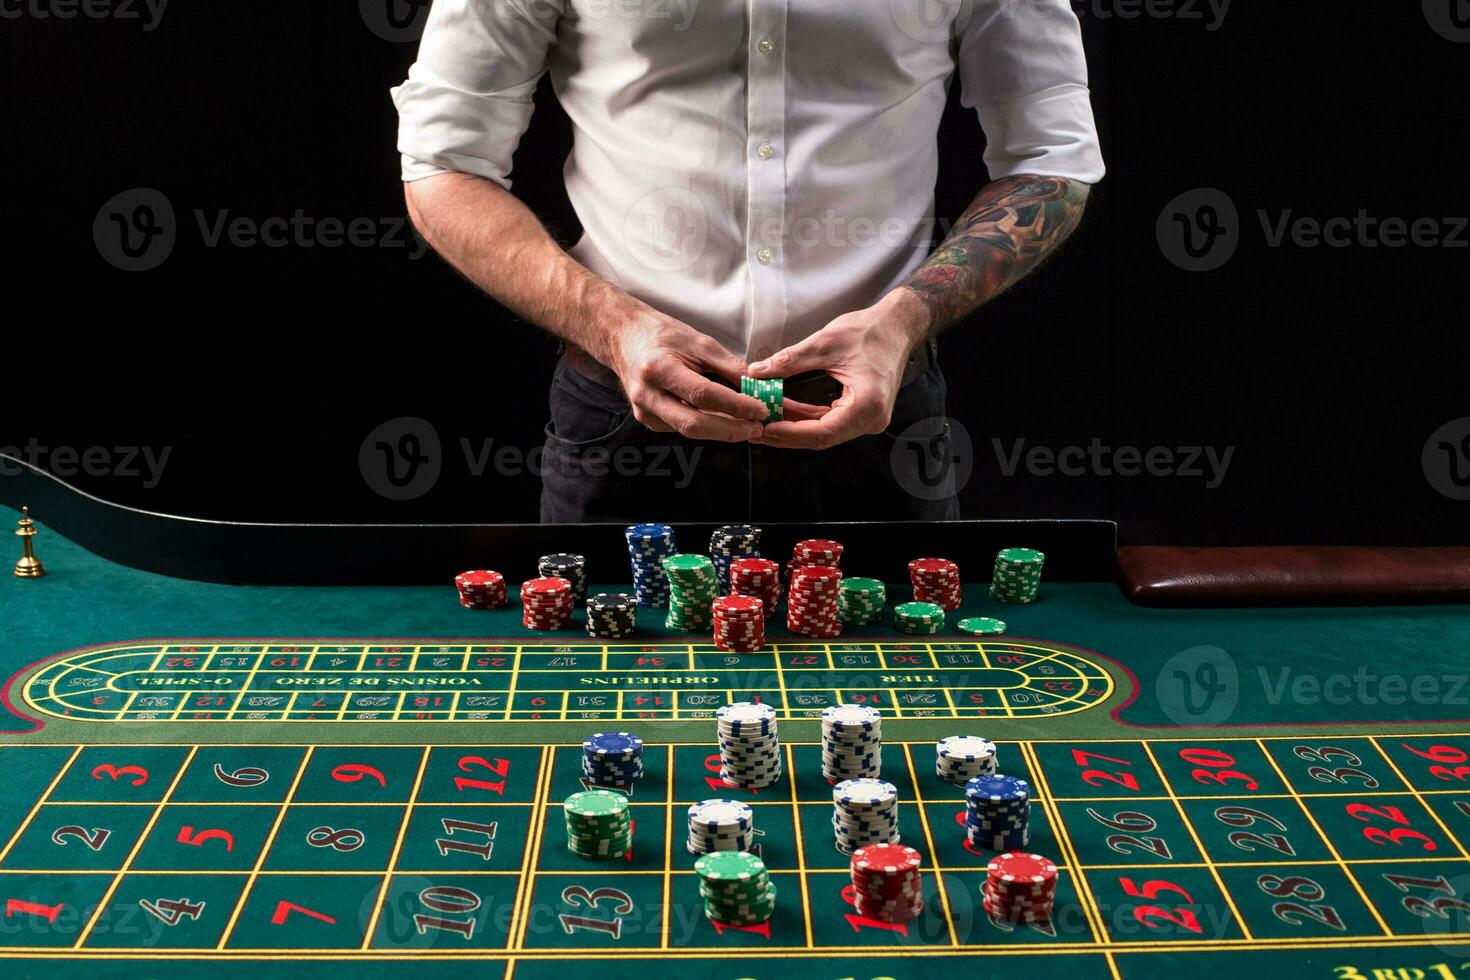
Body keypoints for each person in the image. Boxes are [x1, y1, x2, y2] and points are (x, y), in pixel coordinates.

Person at [393, 0, 1104, 522]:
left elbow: (1051, 157)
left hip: (878, 421)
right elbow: (444, 163)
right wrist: (612, 326)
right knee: (605, 710)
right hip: (622, 420)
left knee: (905, 720)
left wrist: (903, 319)